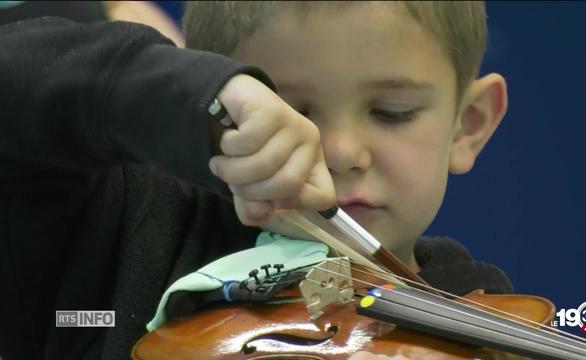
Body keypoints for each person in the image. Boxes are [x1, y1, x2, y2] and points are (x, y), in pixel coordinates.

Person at [0, 1, 510, 359]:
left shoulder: (485, 325)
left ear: (468, 125)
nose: (340, 152)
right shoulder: (114, 237)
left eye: (391, 112)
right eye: (290, 109)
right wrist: (188, 97)